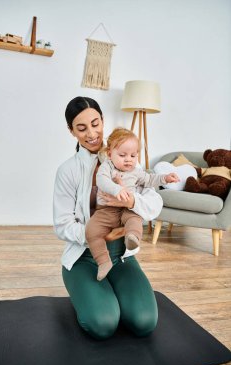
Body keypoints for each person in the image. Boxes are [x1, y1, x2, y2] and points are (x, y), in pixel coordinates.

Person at [53, 96, 162, 340]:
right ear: (72, 131)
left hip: (121, 257)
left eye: (95, 123)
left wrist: (132, 201)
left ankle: (111, 290)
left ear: (103, 120)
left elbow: (156, 203)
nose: (91, 133)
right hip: (84, 258)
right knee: (103, 324)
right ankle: (91, 294)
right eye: (81, 128)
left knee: (144, 322)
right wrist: (100, 234)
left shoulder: (126, 157)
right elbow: (62, 225)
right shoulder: (68, 171)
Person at [85, 127, 179, 281]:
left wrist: (165, 178)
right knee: (91, 230)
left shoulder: (136, 171)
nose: (128, 159)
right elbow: (102, 180)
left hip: (127, 208)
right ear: (110, 154)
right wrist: (117, 189)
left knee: (135, 219)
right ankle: (103, 262)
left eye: (133, 155)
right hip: (107, 210)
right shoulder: (107, 167)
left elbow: (149, 180)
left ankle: (132, 238)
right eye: (122, 155)